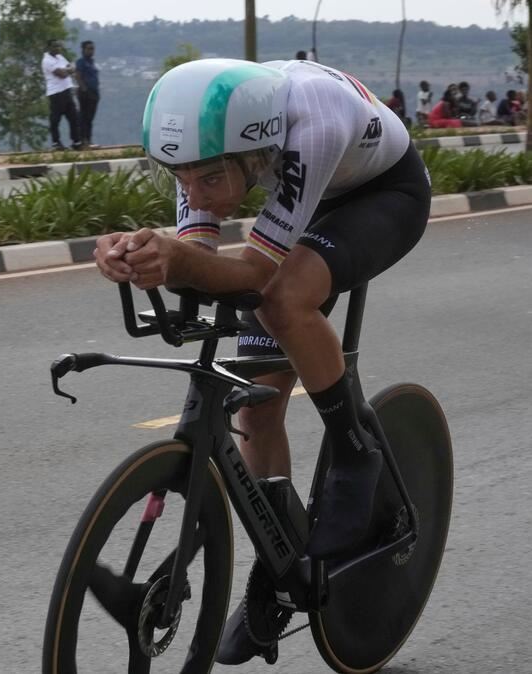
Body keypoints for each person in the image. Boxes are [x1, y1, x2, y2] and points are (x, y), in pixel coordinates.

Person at [98, 58, 429, 665]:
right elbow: (198, 257)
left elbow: (251, 271)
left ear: (254, 156)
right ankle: (282, 563)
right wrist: (141, 256)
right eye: (179, 178)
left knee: (283, 298)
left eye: (209, 181)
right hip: (311, 198)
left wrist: (174, 260)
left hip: (382, 194)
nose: (193, 193)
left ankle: (356, 450)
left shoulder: (310, 127)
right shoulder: (209, 146)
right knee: (258, 405)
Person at [42, 39, 82, 151]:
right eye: (55, 46)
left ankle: (76, 141)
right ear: (49, 47)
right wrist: (69, 69)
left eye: (59, 46)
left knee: (74, 117)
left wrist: (68, 69)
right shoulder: (47, 61)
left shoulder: (60, 57)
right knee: (55, 119)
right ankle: (56, 143)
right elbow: (62, 74)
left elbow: (72, 67)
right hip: (56, 93)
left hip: (67, 90)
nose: (57, 48)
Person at [75, 41, 101, 149]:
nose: (91, 51)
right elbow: (78, 75)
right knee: (84, 117)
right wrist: (84, 89)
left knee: (90, 118)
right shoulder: (81, 62)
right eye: (89, 48)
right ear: (83, 49)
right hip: (85, 93)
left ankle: (88, 140)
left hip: (94, 93)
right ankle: (83, 140)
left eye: (92, 49)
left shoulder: (92, 62)